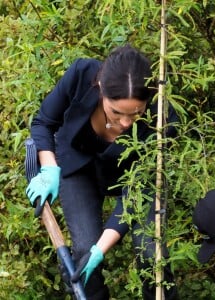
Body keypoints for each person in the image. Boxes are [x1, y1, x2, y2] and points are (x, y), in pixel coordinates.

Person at [25, 44, 178, 300]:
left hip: (135, 180)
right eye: (116, 112)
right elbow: (44, 122)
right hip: (78, 166)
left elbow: (136, 192)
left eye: (136, 113)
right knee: (84, 250)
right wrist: (49, 167)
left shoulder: (163, 118)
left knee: (151, 254)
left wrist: (102, 249)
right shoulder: (82, 74)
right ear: (99, 89)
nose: (126, 123)